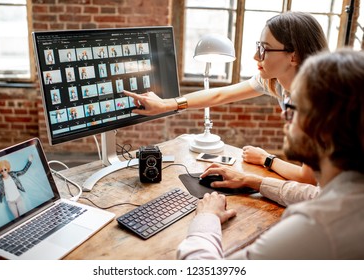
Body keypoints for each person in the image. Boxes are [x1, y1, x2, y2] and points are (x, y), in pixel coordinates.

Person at [177, 49, 364, 259]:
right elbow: (314, 194)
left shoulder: (319, 227)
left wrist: (206, 218)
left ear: (324, 127)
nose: (285, 115)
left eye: (294, 107)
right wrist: (253, 181)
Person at [125, 11, 328, 185]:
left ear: (293, 56)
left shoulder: (316, 100)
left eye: (264, 49)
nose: (256, 57)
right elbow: (221, 94)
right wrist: (166, 104)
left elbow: (308, 178)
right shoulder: (275, 82)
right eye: (259, 47)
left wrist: (267, 159)